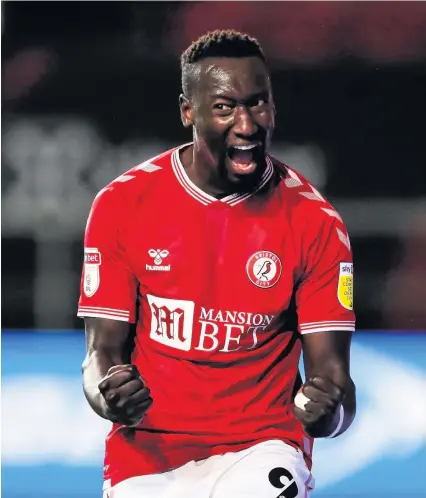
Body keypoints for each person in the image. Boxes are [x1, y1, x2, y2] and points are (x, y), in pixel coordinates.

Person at [78, 30, 356, 498]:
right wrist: (108, 395)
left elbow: (336, 386)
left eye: (258, 104)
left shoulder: (316, 223)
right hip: (148, 454)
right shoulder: (122, 204)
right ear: (189, 111)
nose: (247, 125)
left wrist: (330, 415)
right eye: (225, 107)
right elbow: (99, 357)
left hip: (262, 446)